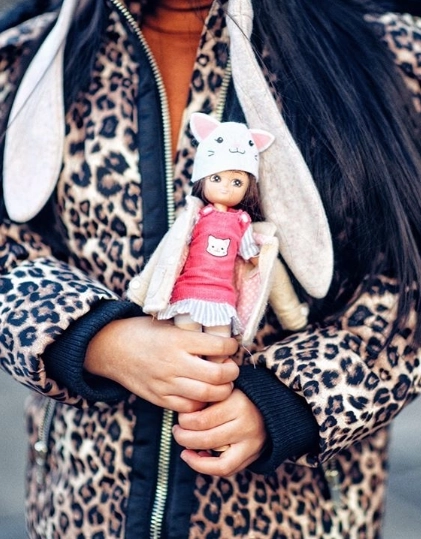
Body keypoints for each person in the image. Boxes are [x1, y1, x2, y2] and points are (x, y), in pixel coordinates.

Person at [0, 0, 420, 538]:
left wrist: (287, 402)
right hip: (85, 500)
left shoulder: (384, 55)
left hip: (297, 514)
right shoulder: (28, 60)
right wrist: (95, 340)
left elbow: (406, 284)